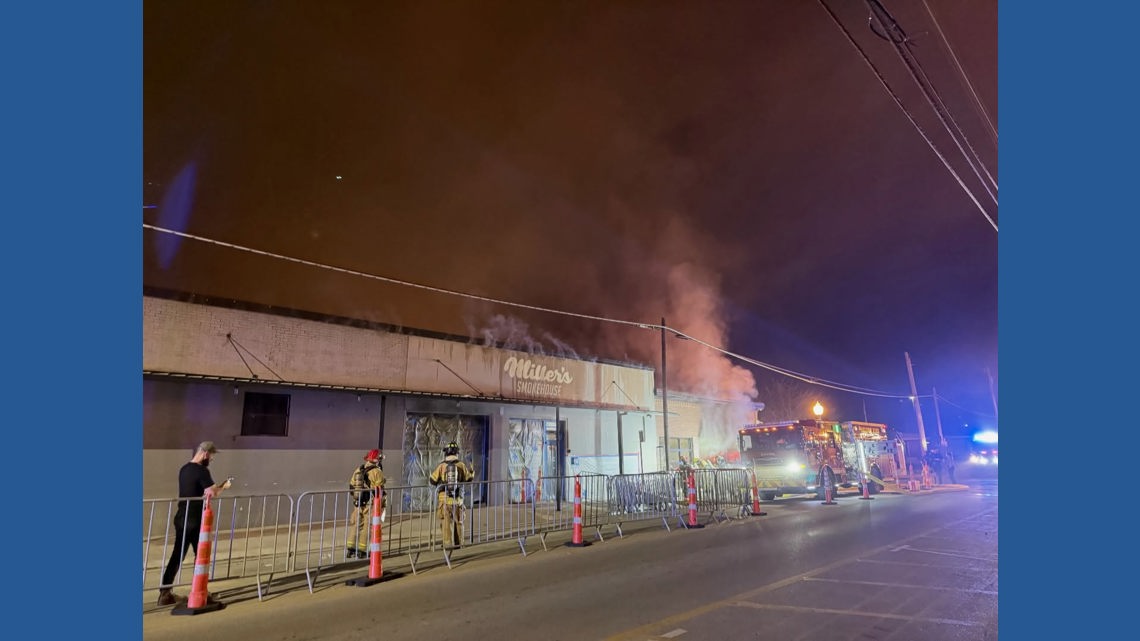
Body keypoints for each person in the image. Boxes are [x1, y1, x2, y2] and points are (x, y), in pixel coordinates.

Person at [157, 441, 232, 606]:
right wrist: (224, 486)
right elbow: (212, 492)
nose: (211, 460)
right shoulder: (202, 471)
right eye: (211, 457)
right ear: (205, 454)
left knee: (177, 555)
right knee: (201, 556)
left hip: (181, 516)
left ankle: (164, 593)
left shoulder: (184, 469)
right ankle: (201, 592)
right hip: (195, 519)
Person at [429, 441, 474, 549]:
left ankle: (448, 544)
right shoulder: (461, 465)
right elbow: (469, 479)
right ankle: (460, 544)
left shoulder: (442, 465)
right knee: (459, 522)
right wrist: (472, 471)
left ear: (446, 452)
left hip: (444, 500)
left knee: (446, 523)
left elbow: (432, 480)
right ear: (457, 452)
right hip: (458, 500)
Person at [346, 449, 386, 559]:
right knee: (367, 526)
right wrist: (382, 504)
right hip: (370, 503)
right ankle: (362, 551)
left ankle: (350, 549)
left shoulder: (359, 469)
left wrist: (357, 498)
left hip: (358, 503)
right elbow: (379, 490)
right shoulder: (377, 472)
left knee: (357, 524)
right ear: (377, 460)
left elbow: (351, 486)